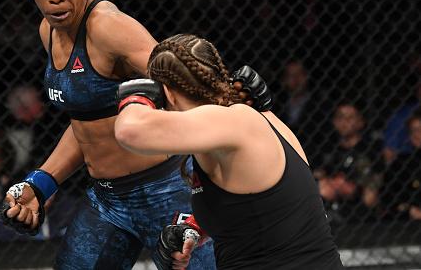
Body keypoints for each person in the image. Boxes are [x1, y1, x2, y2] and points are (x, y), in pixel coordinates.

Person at [0, 0, 271, 269]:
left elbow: (185, 83)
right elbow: (87, 124)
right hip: (107, 202)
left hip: (168, 193)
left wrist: (234, 99)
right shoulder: (48, 30)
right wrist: (41, 183)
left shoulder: (110, 28)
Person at [114, 34, 344, 269]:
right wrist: (193, 230)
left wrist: (137, 97)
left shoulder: (232, 121)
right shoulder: (245, 121)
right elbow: (260, 212)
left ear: (167, 93)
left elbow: (128, 131)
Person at [315, 102, 384, 225]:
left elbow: (371, 196)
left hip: (360, 216)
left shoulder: (371, 152)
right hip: (326, 211)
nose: (344, 122)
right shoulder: (327, 150)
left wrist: (352, 189)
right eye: (340, 117)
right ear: (334, 122)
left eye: (350, 117)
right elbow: (319, 179)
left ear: (360, 122)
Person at [380, 108, 421, 221]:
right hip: (409, 221)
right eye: (413, 130)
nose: (417, 134)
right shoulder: (402, 162)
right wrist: (409, 209)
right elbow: (388, 197)